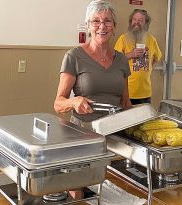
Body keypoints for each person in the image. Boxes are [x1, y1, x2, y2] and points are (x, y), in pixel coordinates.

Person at [53, 0, 131, 199]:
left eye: (107, 21)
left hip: (113, 138)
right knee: (78, 188)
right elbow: (58, 103)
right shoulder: (74, 56)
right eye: (96, 21)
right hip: (82, 136)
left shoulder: (122, 60)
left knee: (110, 192)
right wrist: (74, 101)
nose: (102, 26)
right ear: (88, 26)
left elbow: (126, 103)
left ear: (114, 27)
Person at [114, 9, 162, 105]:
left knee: (144, 119)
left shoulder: (151, 39)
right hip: (126, 92)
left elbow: (157, 57)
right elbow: (114, 60)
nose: (136, 22)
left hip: (145, 92)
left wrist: (147, 67)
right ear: (130, 22)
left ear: (146, 23)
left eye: (140, 20)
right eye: (134, 19)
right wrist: (130, 55)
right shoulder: (123, 39)